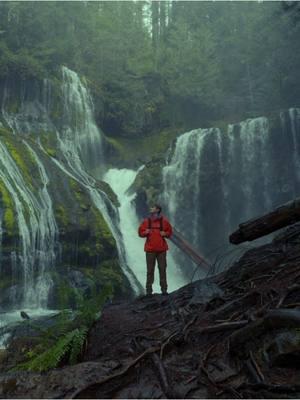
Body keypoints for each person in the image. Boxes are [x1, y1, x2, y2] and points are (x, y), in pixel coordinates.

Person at [138, 204, 173, 296]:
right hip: (150, 250)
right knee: (150, 271)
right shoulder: (146, 221)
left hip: (161, 250)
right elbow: (140, 232)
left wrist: (165, 233)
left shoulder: (164, 221)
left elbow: (169, 233)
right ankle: (149, 291)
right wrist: (144, 232)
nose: (150, 208)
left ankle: (164, 290)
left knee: (162, 269)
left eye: (152, 207)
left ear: (157, 210)